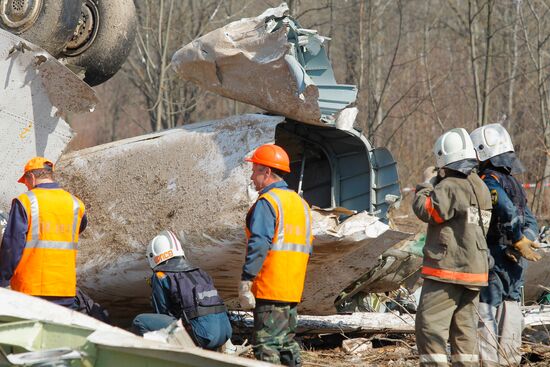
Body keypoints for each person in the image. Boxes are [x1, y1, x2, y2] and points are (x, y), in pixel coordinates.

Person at [412, 128, 492, 367]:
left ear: (444, 160)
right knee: (464, 334)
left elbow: (426, 210)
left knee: (430, 326)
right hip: (475, 272)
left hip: (449, 271)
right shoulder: (481, 187)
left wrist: (426, 183)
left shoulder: (452, 186)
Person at [470, 124, 540, 366]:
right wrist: (523, 241)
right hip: (516, 256)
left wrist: (516, 238)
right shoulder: (515, 183)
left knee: (487, 309)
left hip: (494, 253)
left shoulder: (487, 180)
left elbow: (504, 208)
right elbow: (532, 220)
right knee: (510, 306)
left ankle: (487, 362)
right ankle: (509, 360)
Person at [239, 144, 313, 366]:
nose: (252, 177)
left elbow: (259, 243)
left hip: (270, 287)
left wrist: (246, 279)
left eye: (254, 171)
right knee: (286, 344)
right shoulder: (301, 204)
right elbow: (309, 248)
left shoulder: (268, 202)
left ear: (267, 172)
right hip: (292, 289)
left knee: (266, 345)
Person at [0, 157, 87, 308]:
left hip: (31, 288)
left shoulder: (25, 201)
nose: (26, 187)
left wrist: (2, 280)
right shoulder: (76, 203)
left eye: (25, 182)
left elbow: (12, 246)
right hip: (64, 289)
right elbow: (79, 228)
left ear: (31, 178)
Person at [132, 230, 232, 351]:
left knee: (139, 321)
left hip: (202, 336)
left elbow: (162, 312)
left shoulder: (161, 276)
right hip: (225, 333)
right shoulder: (199, 272)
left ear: (154, 257)